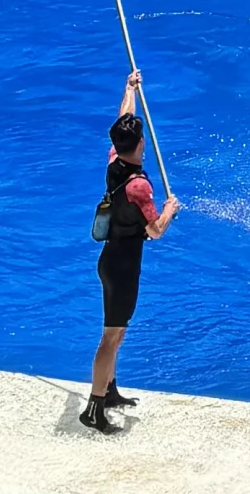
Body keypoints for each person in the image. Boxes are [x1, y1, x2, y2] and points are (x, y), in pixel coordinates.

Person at [81, 71, 179, 435]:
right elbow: (154, 232)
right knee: (111, 336)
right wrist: (169, 210)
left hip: (112, 260)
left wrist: (129, 89)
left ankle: (109, 390)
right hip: (123, 267)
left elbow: (123, 121)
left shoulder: (114, 162)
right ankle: (94, 406)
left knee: (118, 332)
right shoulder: (139, 186)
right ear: (140, 144)